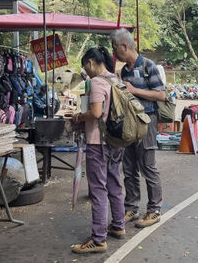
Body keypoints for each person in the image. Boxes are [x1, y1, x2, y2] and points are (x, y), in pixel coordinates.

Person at [70, 47, 125, 254]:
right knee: (114, 183)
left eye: (86, 66)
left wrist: (79, 117)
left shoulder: (97, 82)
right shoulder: (116, 79)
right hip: (115, 141)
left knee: (98, 189)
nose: (87, 71)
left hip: (97, 142)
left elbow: (96, 112)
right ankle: (118, 226)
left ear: (91, 62)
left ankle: (98, 238)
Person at [110, 28, 166, 228]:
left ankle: (154, 209)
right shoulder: (124, 70)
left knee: (148, 166)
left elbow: (161, 95)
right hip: (128, 123)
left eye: (115, 48)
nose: (114, 53)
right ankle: (131, 207)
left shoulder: (148, 66)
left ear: (125, 46)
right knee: (129, 167)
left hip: (147, 121)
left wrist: (135, 90)